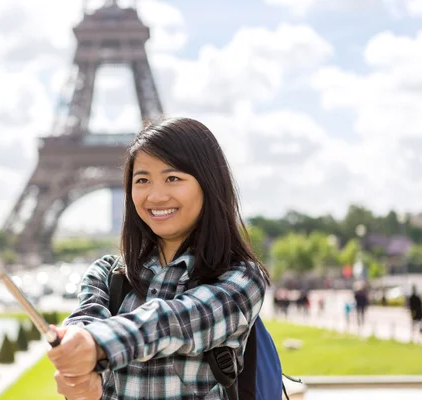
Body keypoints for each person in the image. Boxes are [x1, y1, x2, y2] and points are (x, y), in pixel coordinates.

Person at [47, 117, 270, 400]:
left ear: (209, 184)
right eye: (142, 180)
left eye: (173, 178)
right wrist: (79, 367)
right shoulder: (106, 273)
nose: (156, 195)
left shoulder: (241, 277)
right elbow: (85, 320)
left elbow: (176, 322)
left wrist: (96, 346)